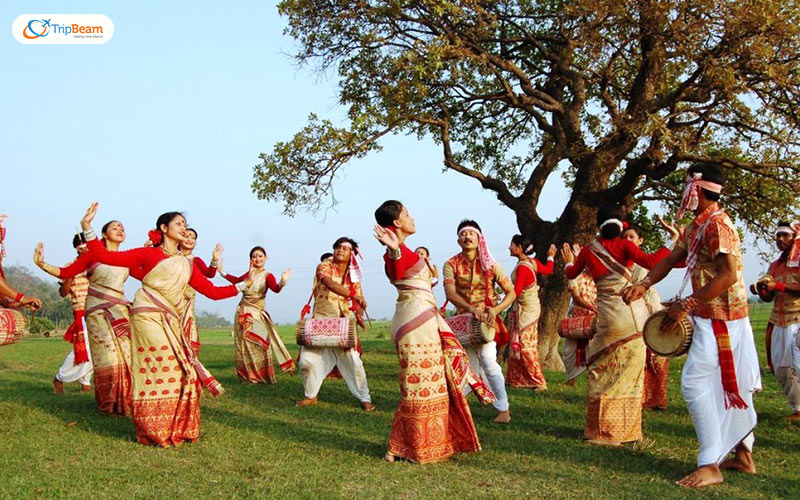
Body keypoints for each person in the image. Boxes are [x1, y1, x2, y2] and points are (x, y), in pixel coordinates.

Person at [623, 163, 761, 488]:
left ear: (697, 189)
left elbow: (728, 275)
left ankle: (710, 464)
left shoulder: (717, 226)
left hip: (722, 320)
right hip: (712, 317)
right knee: (729, 387)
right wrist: (643, 285)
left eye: (687, 187)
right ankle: (743, 455)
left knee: (695, 384)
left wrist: (684, 305)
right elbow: (671, 260)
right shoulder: (698, 225)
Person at [79, 203, 244, 446]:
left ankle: (174, 425)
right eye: (179, 224)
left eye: (185, 226)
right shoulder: (149, 254)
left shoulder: (187, 264)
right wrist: (87, 228)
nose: (184, 229)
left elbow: (212, 291)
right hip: (147, 316)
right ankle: (152, 427)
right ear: (164, 228)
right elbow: (106, 257)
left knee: (181, 370)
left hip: (171, 319)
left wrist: (241, 286)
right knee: (159, 366)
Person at [374, 200, 491, 463]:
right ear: (396, 223)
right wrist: (393, 250)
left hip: (427, 320)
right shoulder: (395, 253)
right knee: (416, 385)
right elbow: (395, 268)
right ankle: (413, 446)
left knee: (432, 382)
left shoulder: (408, 252)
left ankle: (407, 446)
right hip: (413, 324)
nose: (412, 217)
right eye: (407, 214)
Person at [562, 203, 671, 446]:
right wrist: (672, 241)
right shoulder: (626, 245)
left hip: (608, 319)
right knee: (629, 377)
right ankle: (624, 431)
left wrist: (568, 262)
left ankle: (599, 431)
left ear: (597, 225)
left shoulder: (589, 250)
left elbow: (571, 274)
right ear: (622, 226)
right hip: (634, 318)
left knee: (601, 372)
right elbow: (653, 262)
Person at [35, 220, 138, 415]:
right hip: (92, 310)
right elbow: (64, 280)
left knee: (124, 352)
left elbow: (146, 273)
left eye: (122, 227)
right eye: (115, 227)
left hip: (119, 310)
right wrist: (42, 264)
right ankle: (107, 400)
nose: (120, 230)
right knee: (101, 353)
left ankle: (123, 397)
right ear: (103, 235)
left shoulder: (125, 257)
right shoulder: (89, 257)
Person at [443, 220, 515, 423]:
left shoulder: (491, 264)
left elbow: (511, 292)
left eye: (471, 234)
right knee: (466, 367)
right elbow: (450, 292)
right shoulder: (450, 264)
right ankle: (458, 408)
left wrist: (496, 309)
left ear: (479, 238)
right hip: (462, 322)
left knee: (489, 363)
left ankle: (504, 410)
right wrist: (472, 309)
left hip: (486, 323)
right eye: (463, 234)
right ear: (458, 240)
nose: (467, 237)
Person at [296, 237, 374, 410]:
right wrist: (352, 295)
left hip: (343, 324)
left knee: (354, 362)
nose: (340, 250)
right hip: (321, 320)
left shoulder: (354, 276)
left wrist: (359, 313)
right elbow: (328, 283)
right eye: (337, 247)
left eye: (344, 248)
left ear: (352, 254)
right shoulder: (324, 266)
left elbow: (359, 300)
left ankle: (364, 397)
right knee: (306, 362)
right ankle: (311, 396)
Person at [621, 220, 680, 410]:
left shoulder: (642, 262)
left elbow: (661, 261)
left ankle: (657, 399)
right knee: (639, 358)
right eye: (625, 237)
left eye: (632, 237)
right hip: (631, 314)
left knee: (657, 357)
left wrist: (673, 239)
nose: (628, 240)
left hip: (649, 311)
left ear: (640, 241)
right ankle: (641, 398)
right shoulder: (620, 261)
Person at [221, 246, 294, 383]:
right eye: (254, 256)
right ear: (251, 259)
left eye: (260, 256)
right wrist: (222, 273)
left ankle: (262, 375)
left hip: (257, 313)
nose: (257, 259)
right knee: (244, 344)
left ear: (265, 258)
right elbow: (237, 281)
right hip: (243, 311)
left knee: (260, 343)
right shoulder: (248, 274)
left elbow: (276, 289)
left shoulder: (268, 275)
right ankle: (248, 376)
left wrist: (283, 281)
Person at [750, 221, 800, 419]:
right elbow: (769, 296)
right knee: (780, 368)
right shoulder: (774, 265)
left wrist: (777, 287)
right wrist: (761, 290)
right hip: (779, 320)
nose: (780, 239)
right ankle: (797, 408)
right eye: (778, 236)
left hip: (797, 318)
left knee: (798, 365)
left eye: (785, 235)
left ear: (794, 238)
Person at [505, 234, 555, 390]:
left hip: (527, 309)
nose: (509, 247)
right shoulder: (531, 263)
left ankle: (539, 381)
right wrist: (551, 257)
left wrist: (501, 301)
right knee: (519, 342)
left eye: (512, 244)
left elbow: (517, 291)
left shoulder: (522, 268)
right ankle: (516, 379)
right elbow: (548, 269)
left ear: (519, 248)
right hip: (530, 307)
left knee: (525, 345)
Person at [52, 234, 93, 394]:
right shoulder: (70, 266)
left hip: (99, 308)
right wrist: (71, 272)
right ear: (77, 248)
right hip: (82, 309)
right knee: (83, 348)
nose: (84, 247)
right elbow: (63, 292)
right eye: (81, 245)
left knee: (97, 346)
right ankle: (60, 377)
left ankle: (85, 381)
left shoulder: (96, 264)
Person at [178, 227, 221, 358]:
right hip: (170, 300)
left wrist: (214, 260)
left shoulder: (195, 260)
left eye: (193, 238)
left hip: (187, 303)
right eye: (187, 236)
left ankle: (188, 363)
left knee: (187, 332)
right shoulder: (171, 257)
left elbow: (209, 274)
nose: (190, 239)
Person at [563, 258, 595, 385]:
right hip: (577, 318)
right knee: (569, 350)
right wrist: (591, 307)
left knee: (595, 350)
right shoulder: (576, 276)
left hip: (595, 319)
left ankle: (593, 379)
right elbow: (576, 297)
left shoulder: (601, 279)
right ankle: (571, 379)